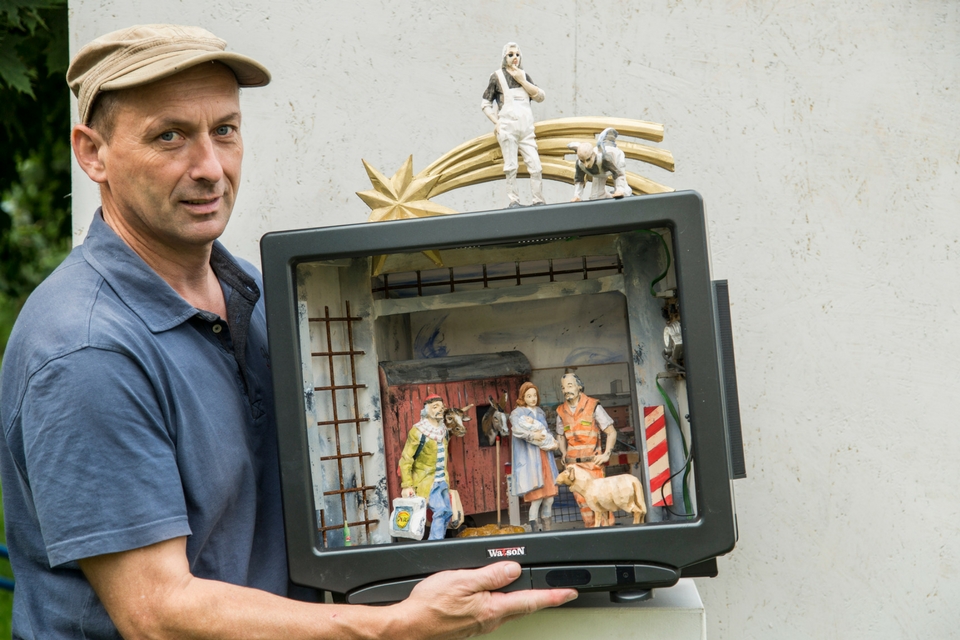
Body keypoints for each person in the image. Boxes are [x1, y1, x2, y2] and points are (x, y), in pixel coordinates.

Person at [0, 24, 576, 639]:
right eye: (169, 136)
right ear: (92, 154)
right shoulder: (86, 350)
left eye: (224, 130)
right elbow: (157, 614)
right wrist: (393, 626)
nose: (210, 167)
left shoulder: (252, 287)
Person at [481, 42, 546, 208]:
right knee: (511, 167)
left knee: (536, 166)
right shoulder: (497, 77)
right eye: (511, 55)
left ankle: (538, 200)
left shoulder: (524, 75)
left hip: (526, 129)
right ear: (504, 57)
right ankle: (513, 200)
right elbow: (485, 103)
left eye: (517, 54)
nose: (514, 58)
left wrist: (522, 80)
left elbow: (540, 96)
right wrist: (497, 122)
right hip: (507, 129)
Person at [554, 373, 618, 528]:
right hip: (573, 467)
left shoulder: (593, 406)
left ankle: (608, 533)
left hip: (593, 465)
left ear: (579, 386)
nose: (566, 390)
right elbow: (560, 435)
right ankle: (592, 532)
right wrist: (563, 453)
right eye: (563, 387)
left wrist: (606, 454)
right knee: (583, 502)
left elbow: (611, 432)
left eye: (570, 385)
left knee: (600, 501)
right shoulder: (561, 411)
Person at [399, 395, 456, 540]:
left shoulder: (444, 431)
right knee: (441, 511)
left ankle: (439, 541)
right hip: (426, 481)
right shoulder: (419, 431)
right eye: (435, 407)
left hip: (442, 479)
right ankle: (434, 544)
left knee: (447, 512)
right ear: (426, 410)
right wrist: (407, 485)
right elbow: (406, 458)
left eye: (441, 407)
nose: (440, 410)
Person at [509, 382, 559, 532]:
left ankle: (548, 529)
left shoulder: (540, 412)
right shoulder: (517, 413)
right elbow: (517, 431)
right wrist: (533, 435)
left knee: (549, 498)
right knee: (536, 499)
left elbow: (546, 430)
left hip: (545, 457)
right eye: (528, 396)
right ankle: (535, 530)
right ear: (522, 397)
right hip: (531, 460)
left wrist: (551, 440)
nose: (532, 398)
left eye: (534, 395)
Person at [569, 128, 631, 202]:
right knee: (596, 197)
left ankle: (623, 192)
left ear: (593, 155)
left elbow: (618, 174)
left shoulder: (605, 159)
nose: (586, 165)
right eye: (582, 161)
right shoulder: (580, 164)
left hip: (615, 163)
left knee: (624, 193)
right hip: (599, 172)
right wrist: (577, 196)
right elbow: (579, 180)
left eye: (588, 160)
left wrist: (619, 190)